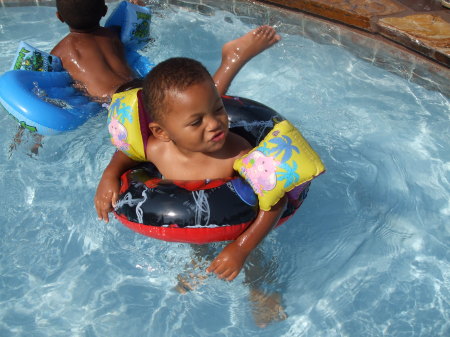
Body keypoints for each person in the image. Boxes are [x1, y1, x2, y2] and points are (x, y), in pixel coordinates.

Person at [95, 57, 287, 282]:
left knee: (255, 258)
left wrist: (242, 248)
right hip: (191, 215)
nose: (214, 123)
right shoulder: (158, 149)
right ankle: (199, 262)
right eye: (196, 122)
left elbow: (276, 199)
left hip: (239, 225)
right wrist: (109, 175)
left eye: (217, 109)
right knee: (191, 227)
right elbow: (127, 153)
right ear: (161, 132)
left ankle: (260, 290)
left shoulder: (238, 154)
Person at [51, 0, 281, 102]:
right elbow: (141, 38)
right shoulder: (113, 34)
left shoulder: (60, 52)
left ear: (59, 17)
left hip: (116, 103)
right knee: (191, 104)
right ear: (103, 10)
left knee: (202, 108)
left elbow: (47, 87)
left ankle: (232, 59)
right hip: (140, 85)